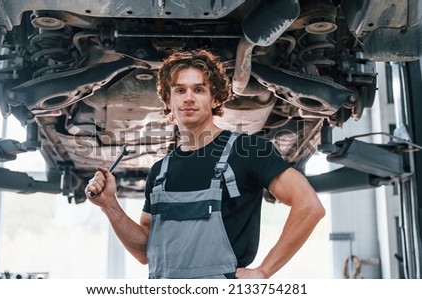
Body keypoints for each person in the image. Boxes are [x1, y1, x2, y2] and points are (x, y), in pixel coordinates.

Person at [85, 49, 325, 279]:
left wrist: (264, 271)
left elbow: (309, 206)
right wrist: (109, 205)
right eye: (180, 90)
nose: (188, 98)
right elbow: (145, 251)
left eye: (199, 89)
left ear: (215, 99)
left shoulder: (247, 151)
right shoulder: (160, 172)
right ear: (168, 100)